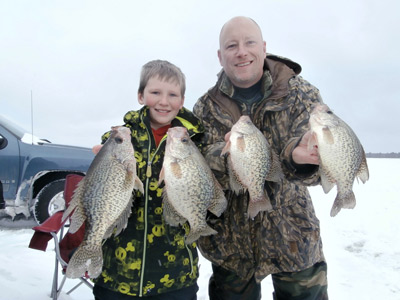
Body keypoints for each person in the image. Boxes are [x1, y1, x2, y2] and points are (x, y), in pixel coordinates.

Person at [193, 16, 328, 300]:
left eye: (249, 42)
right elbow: (200, 168)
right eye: (232, 45)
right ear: (220, 56)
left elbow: (320, 168)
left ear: (264, 47)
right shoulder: (205, 107)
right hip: (230, 246)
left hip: (294, 237)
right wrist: (225, 158)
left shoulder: (301, 95)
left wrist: (298, 156)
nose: (241, 51)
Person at [92, 60, 204, 299]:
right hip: (117, 275)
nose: (164, 101)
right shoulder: (119, 139)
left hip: (176, 277)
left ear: (182, 101)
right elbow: (99, 191)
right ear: (141, 96)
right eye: (155, 93)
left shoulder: (194, 143)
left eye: (172, 94)